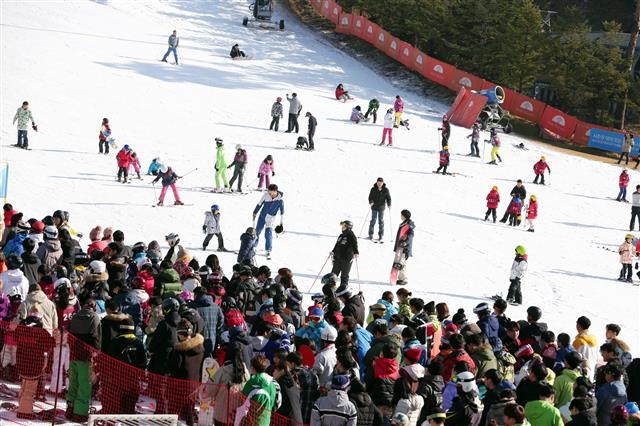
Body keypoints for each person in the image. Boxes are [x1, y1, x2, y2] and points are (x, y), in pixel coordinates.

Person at [66, 295, 101, 423]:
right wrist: (96, 354)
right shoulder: (94, 318)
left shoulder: (75, 316)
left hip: (73, 355)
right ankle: (80, 414)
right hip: (85, 357)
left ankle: (70, 408)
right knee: (84, 386)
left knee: (73, 384)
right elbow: (96, 338)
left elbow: (69, 334)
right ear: (94, 307)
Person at [241, 355, 279, 426]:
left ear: (253, 368)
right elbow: (275, 403)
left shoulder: (252, 382)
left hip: (251, 421)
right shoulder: (273, 384)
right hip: (265, 422)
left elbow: (242, 402)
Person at [252, 184, 284, 258]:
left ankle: (268, 250)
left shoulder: (280, 201)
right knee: (257, 231)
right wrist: (254, 212)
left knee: (268, 233)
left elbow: (282, 213)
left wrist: (281, 223)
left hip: (271, 218)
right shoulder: (266, 196)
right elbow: (259, 204)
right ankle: (253, 246)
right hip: (262, 216)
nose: (269, 193)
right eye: (268, 191)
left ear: (275, 191)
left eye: (270, 192)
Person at [331, 220, 359, 287]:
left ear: (348, 227)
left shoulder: (351, 234)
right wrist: (333, 251)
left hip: (346, 258)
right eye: (342, 226)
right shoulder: (341, 235)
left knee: (344, 275)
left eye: (344, 226)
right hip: (338, 257)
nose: (342, 227)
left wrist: (356, 252)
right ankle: (331, 288)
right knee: (333, 274)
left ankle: (343, 289)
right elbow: (337, 245)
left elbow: (355, 243)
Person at [393, 210, 415, 286]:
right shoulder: (403, 224)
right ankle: (401, 278)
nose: (400, 216)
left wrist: (406, 242)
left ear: (404, 216)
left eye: (401, 215)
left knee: (401, 263)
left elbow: (410, 235)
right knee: (401, 263)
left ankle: (404, 279)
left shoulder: (409, 225)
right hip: (400, 247)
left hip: (405, 248)